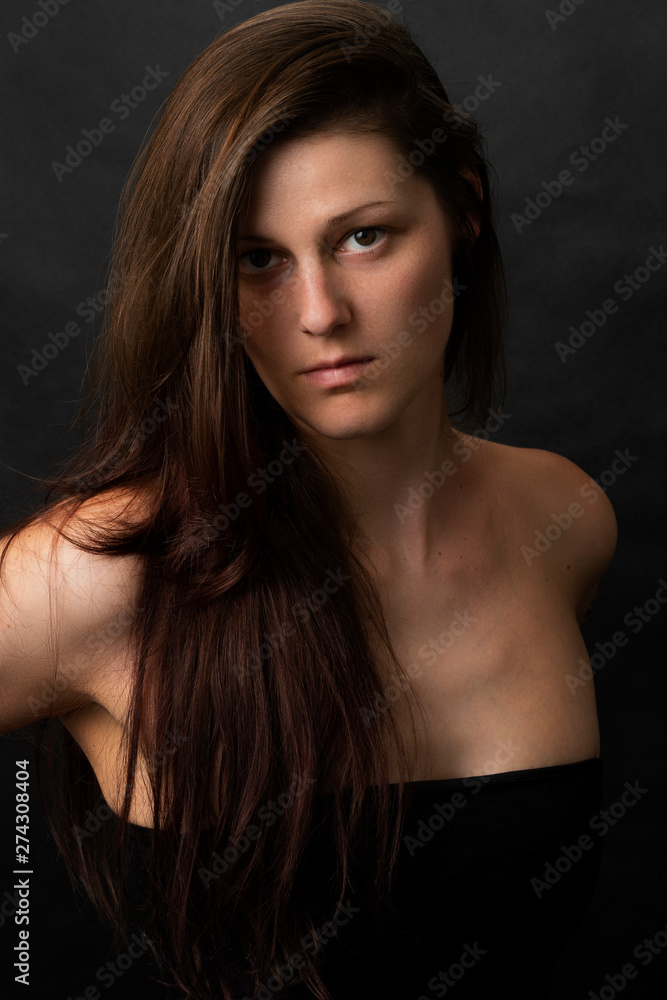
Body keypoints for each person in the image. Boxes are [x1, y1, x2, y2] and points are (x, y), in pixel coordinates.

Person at [0, 1, 617, 997]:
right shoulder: (97, 577)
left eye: (364, 237)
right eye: (258, 260)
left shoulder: (563, 521)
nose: (320, 314)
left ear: (461, 209)